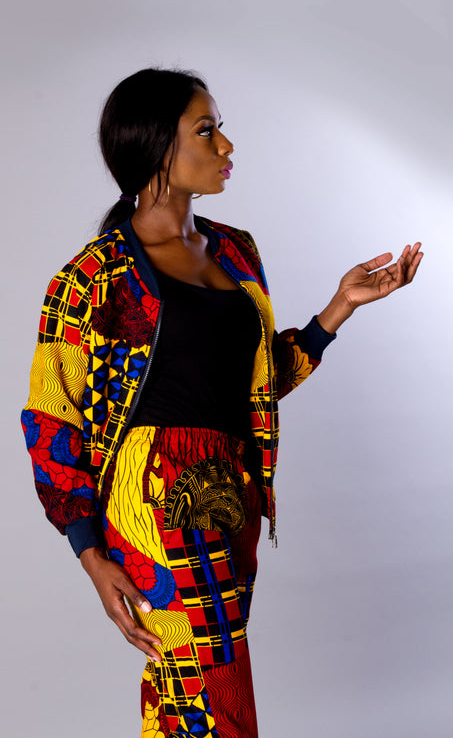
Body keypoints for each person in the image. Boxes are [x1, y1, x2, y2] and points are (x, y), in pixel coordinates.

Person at [21, 67, 423, 738]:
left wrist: (338, 309)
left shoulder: (236, 251)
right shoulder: (91, 278)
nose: (226, 146)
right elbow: (50, 420)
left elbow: (255, 386)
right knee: (215, 689)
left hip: (231, 492)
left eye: (219, 128)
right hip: (154, 495)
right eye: (206, 130)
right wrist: (90, 553)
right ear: (157, 147)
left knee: (186, 696)